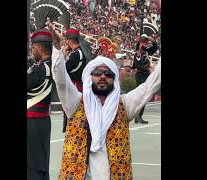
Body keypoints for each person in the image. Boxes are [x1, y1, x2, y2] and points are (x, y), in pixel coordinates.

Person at [46, 19, 161, 180]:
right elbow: (61, 80)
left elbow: (150, 85)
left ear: (114, 79)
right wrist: (57, 48)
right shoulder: (76, 103)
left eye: (108, 74)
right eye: (98, 73)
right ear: (89, 77)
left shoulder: (124, 105)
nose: (102, 77)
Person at [27, 28, 54, 180]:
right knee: (41, 163)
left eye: (33, 47)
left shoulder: (40, 69)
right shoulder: (50, 66)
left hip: (32, 122)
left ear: (39, 47)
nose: (32, 50)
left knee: (32, 165)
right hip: (43, 121)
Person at [61, 28, 87, 133]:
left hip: (75, 87)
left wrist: (63, 54)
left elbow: (62, 70)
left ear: (69, 40)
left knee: (73, 119)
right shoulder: (79, 52)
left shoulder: (77, 54)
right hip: (77, 87)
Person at [132, 33, 158, 124]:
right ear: (140, 43)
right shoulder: (138, 53)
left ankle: (138, 115)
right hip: (140, 76)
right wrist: (148, 68)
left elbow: (155, 48)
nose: (146, 44)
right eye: (144, 43)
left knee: (144, 97)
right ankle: (137, 115)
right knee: (141, 97)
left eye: (146, 43)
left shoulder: (146, 52)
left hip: (146, 76)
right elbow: (138, 66)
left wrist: (152, 40)